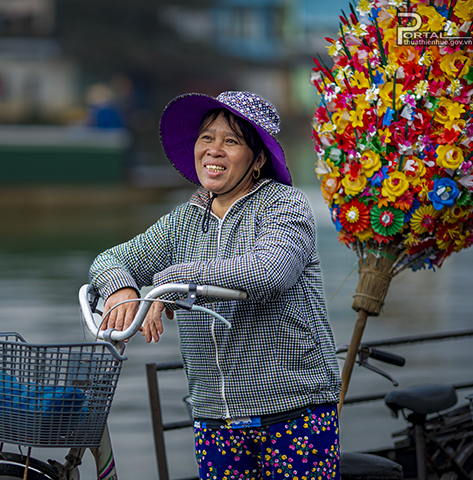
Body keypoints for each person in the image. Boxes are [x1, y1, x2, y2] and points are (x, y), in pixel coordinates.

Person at [89, 91, 342, 480]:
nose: (214, 150)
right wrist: (121, 289)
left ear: (257, 159)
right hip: (213, 416)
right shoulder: (184, 221)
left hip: (293, 407)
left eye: (231, 141)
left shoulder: (285, 205)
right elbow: (109, 259)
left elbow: (269, 270)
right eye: (207, 138)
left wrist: (169, 281)